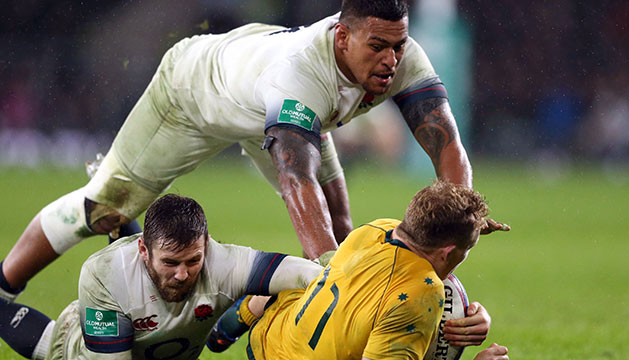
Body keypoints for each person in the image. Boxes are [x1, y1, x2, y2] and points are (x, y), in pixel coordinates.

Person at [0, 0, 509, 302]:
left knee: (344, 227)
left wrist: (461, 219)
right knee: (105, 205)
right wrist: (329, 279)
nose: (390, 60)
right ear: (341, 36)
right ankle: (4, 284)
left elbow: (447, 146)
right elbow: (296, 180)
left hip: (261, 96)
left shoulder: (400, 55)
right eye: (376, 46)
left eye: (397, 46)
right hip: (192, 94)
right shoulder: (300, 77)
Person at [0, 194, 324, 359]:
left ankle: (117, 211)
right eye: (171, 262)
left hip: (147, 312)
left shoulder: (223, 261)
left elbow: (300, 272)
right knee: (53, 347)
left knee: (217, 322)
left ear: (207, 245)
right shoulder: (102, 276)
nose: (183, 274)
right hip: (89, 337)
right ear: (143, 249)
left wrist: (340, 279)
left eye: (193, 260)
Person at [217, 180, 509, 359]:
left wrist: (469, 228)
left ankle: (237, 318)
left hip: (271, 338)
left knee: (318, 271)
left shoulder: (375, 229)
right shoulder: (421, 294)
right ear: (448, 251)